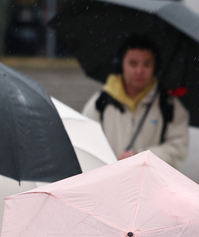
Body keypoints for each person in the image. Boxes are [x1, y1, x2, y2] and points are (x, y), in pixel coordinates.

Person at [81, 34, 190, 168]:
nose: (139, 70)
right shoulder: (100, 103)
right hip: (108, 184)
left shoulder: (169, 105)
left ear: (155, 67)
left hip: (151, 184)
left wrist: (143, 157)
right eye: (133, 63)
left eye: (147, 64)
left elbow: (178, 148)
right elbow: (85, 145)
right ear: (121, 64)